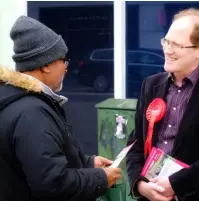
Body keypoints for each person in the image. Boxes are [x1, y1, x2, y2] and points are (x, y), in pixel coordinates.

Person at [126, 8, 199, 201]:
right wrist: (140, 184)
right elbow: (136, 141)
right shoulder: (151, 85)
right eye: (167, 41)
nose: (167, 50)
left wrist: (175, 185)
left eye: (177, 45)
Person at [0, 15, 122, 201]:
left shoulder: (19, 99)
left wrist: (87, 163)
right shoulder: (31, 113)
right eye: (63, 60)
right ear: (47, 65)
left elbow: (41, 162)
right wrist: (101, 178)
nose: (66, 68)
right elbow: (53, 184)